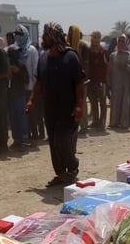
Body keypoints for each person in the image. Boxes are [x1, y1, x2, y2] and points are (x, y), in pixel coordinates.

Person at [25, 22, 85, 187]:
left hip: (68, 109)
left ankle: (73, 168)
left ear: (54, 37)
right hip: (50, 109)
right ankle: (61, 174)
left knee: (62, 141)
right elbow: (39, 82)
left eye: (46, 36)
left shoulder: (71, 57)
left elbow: (79, 84)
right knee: (53, 142)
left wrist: (79, 105)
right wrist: (31, 100)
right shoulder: (43, 57)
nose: (43, 39)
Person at [107, 34, 130, 128]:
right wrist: (108, 80)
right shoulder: (113, 55)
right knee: (115, 102)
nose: (120, 43)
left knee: (124, 103)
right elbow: (109, 69)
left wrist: (126, 67)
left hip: (125, 83)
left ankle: (124, 123)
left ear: (126, 42)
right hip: (115, 83)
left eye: (122, 41)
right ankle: (113, 122)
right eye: (119, 41)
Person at [86, 30, 108, 129]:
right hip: (91, 81)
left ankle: (102, 122)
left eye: (96, 36)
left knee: (103, 102)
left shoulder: (103, 51)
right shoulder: (88, 51)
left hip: (101, 81)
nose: (94, 38)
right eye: (93, 36)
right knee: (93, 102)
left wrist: (105, 79)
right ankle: (95, 121)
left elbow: (109, 66)